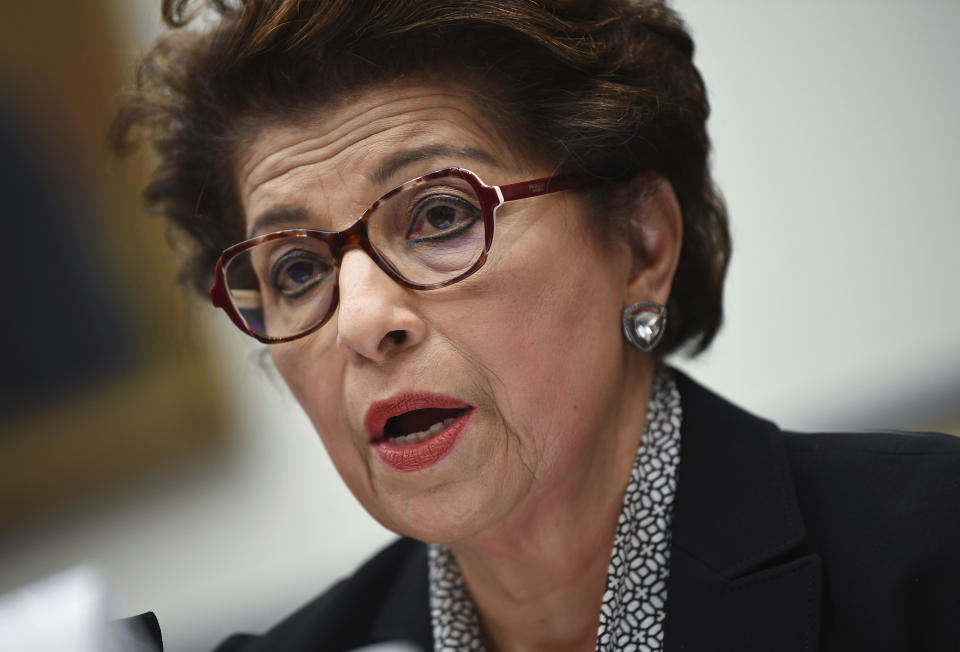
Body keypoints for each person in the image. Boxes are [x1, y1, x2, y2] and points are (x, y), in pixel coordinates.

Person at [111, 1, 960, 650]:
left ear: (641, 243)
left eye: (440, 216)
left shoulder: (930, 552)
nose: (362, 322)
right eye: (297, 271)